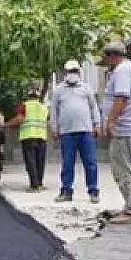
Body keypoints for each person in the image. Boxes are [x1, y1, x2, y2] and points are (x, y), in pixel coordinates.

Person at [98, 42, 131, 224]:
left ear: (112, 56)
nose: (107, 62)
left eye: (107, 59)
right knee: (126, 168)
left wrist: (111, 120)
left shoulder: (122, 71)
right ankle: (130, 206)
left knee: (124, 170)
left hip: (125, 130)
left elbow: (122, 97)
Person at [50, 60, 101, 204]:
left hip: (86, 130)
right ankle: (66, 191)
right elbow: (54, 111)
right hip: (67, 132)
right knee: (67, 163)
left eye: (74, 71)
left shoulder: (86, 88)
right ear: (65, 73)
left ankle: (93, 190)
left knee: (90, 162)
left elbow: (94, 108)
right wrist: (54, 128)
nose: (72, 74)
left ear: (78, 72)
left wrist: (97, 124)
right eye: (69, 72)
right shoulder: (58, 90)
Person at [6, 86, 49, 192]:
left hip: (29, 137)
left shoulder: (25, 106)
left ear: (28, 96)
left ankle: (34, 186)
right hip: (42, 137)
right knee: (40, 162)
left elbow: (20, 119)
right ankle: (39, 184)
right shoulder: (44, 107)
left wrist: (6, 124)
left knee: (31, 162)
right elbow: (48, 121)